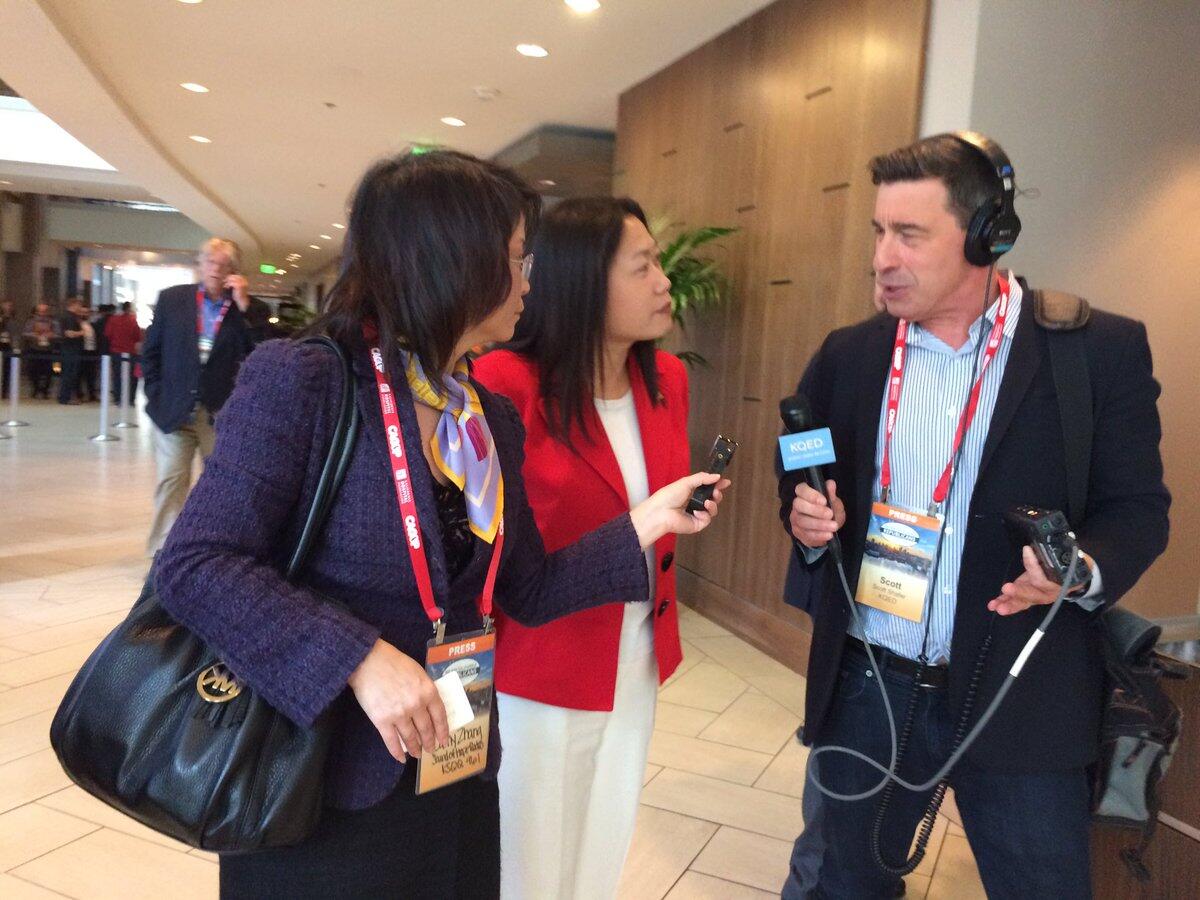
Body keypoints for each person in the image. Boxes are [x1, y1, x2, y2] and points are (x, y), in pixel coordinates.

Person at [154, 149, 729, 899]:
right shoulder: (307, 379)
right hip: (320, 774)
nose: (530, 280)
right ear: (455, 261)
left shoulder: (483, 414)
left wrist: (645, 523)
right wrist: (359, 657)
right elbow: (196, 563)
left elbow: (526, 586)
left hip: (454, 759)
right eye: (519, 259)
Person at [777, 133, 1169, 899]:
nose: (883, 256)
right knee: (838, 886)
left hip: (1019, 688)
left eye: (910, 235)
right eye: (879, 232)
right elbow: (803, 472)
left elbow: (1139, 509)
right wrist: (807, 520)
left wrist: (1076, 573)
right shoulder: (849, 355)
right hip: (869, 684)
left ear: (990, 235)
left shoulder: (1096, 352)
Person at [473, 196, 687, 900]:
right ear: (584, 281)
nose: (664, 281)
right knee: (527, 858)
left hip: (634, 654)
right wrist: (643, 519)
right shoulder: (506, 384)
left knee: (603, 840)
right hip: (539, 664)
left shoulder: (668, 383)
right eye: (643, 266)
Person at [141, 237, 256, 555]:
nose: (215, 270)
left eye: (223, 265)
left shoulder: (241, 308)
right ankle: (163, 552)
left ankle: (216, 547)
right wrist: (156, 395)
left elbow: (261, 355)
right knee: (171, 480)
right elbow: (151, 353)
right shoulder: (172, 300)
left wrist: (245, 307)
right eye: (210, 262)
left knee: (222, 484)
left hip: (219, 413)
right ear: (200, 264)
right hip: (175, 410)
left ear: (233, 271)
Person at [105, 301, 143, 402]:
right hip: (130, 352)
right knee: (132, 377)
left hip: (116, 351)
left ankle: (118, 398)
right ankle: (131, 398)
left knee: (117, 376)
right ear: (129, 308)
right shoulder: (133, 320)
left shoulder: (113, 319)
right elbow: (137, 336)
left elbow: (108, 334)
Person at [23, 302, 58, 399]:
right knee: (32, 371)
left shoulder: (53, 322)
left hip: (49, 349)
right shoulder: (30, 321)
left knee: (49, 372)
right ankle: (35, 389)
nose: (42, 313)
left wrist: (52, 335)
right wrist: (36, 335)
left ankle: (46, 391)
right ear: (36, 311)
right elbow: (25, 333)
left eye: (45, 311)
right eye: (40, 311)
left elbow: (58, 334)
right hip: (34, 349)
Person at [57, 297, 88, 405]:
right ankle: (66, 397)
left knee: (68, 373)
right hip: (71, 348)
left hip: (68, 348)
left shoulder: (67, 316)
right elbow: (69, 333)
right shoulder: (70, 317)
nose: (80, 308)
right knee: (70, 373)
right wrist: (82, 333)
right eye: (79, 305)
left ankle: (65, 396)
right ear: (73, 305)